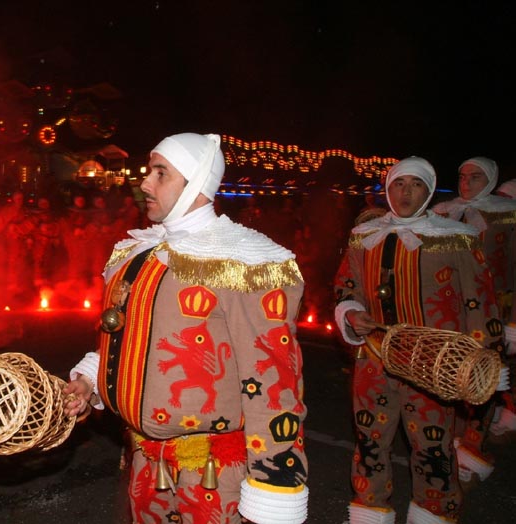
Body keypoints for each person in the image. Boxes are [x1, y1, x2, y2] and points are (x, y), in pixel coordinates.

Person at [63, 133, 309, 524]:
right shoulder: (138, 253)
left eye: (161, 172)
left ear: (196, 183)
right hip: (146, 458)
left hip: (216, 470)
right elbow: (123, 340)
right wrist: (90, 380)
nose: (144, 183)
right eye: (148, 171)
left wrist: (273, 483)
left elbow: (273, 381)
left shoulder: (244, 261)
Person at [333, 157, 505, 523]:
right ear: (388, 188)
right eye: (398, 183)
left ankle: (433, 510)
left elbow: (480, 301)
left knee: (431, 446)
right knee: (370, 440)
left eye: (415, 184)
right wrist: (350, 312)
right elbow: (346, 285)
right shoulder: (365, 236)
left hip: (432, 363)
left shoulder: (455, 238)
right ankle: (369, 509)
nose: (405, 192)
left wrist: (487, 357)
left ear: (428, 191)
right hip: (374, 356)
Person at [432, 157, 516, 472]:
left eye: (475, 177)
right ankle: (449, 440)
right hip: (452, 310)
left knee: (485, 377)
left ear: (491, 179)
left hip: (492, 309)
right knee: (453, 373)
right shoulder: (443, 213)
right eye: (463, 176)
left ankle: (472, 448)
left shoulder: (507, 215)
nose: (466, 183)